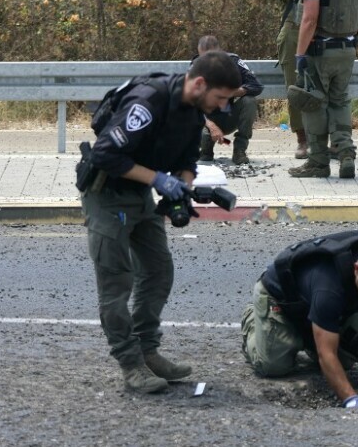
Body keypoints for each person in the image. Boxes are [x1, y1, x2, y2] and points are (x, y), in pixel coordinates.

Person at [82, 51, 241, 393]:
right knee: (117, 283)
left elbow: (187, 160)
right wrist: (157, 180)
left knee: (158, 270)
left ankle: (147, 350)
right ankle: (130, 364)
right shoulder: (148, 101)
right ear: (200, 84)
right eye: (221, 98)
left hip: (140, 195)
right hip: (107, 194)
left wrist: (181, 188)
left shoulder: (194, 114)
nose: (223, 107)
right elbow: (105, 154)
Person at [240, 229, 358, 408]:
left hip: (313, 304)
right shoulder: (329, 287)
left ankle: (309, 332)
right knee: (274, 367)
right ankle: (252, 317)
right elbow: (326, 353)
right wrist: (350, 398)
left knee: (345, 362)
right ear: (356, 269)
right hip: (280, 299)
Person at [288, 0, 358, 179]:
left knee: (314, 104)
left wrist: (300, 54)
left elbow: (309, 19)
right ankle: (346, 154)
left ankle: (318, 162)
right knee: (340, 102)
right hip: (348, 50)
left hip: (321, 52)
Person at [262, 0, 311, 160]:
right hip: (292, 33)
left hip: (319, 34)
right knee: (295, 89)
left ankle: (326, 138)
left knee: (324, 87)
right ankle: (302, 140)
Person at [193, 35, 263, 165]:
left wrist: (234, 92)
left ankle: (239, 151)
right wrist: (211, 126)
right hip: (206, 122)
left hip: (228, 116)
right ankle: (204, 151)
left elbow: (257, 86)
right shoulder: (196, 67)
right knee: (204, 156)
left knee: (249, 101)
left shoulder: (233, 61)